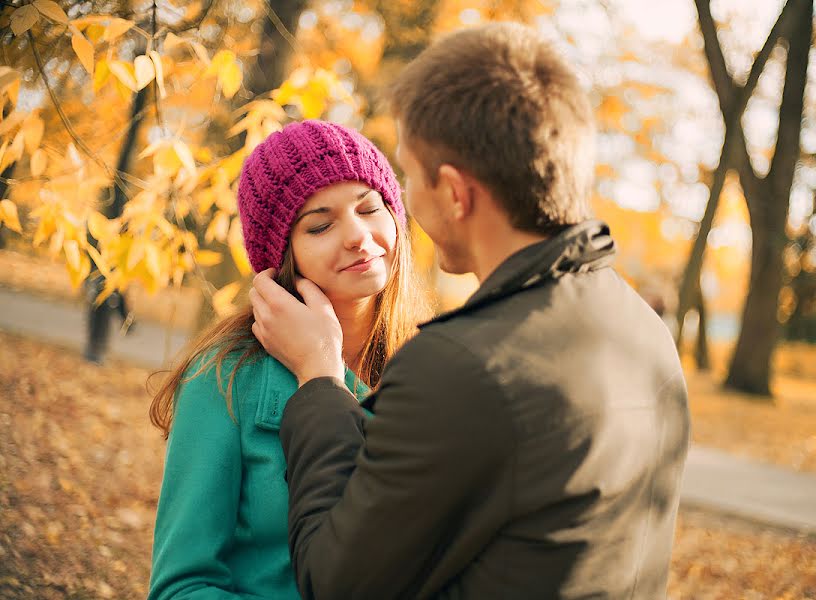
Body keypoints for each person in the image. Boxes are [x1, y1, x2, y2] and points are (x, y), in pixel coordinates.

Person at [251, 22, 691, 600]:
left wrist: (318, 379)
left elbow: (335, 582)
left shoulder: (461, 367)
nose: (403, 200)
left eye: (406, 176)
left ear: (455, 194)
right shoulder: (641, 329)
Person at [147, 120, 429, 599]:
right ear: (282, 256)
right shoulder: (225, 378)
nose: (359, 236)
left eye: (370, 208)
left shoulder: (435, 364)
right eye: (320, 225)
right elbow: (181, 587)